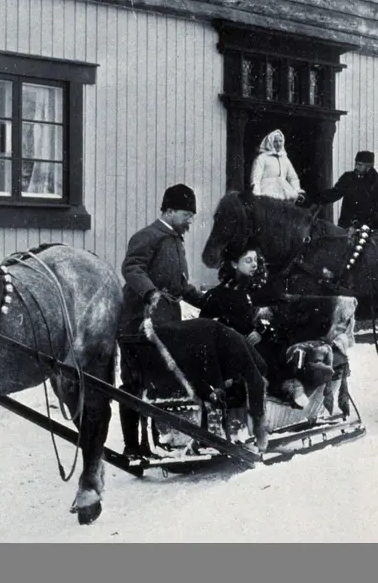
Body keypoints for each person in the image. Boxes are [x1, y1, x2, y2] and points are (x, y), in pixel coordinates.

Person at [117, 183, 208, 458]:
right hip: (138, 323)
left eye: (192, 216)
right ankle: (132, 446)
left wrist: (206, 300)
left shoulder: (175, 241)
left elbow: (180, 286)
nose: (190, 221)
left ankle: (161, 439)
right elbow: (131, 268)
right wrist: (150, 293)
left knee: (159, 382)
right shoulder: (148, 236)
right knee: (134, 382)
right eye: (185, 214)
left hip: (166, 323)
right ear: (168, 211)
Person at [198, 239, 317, 408]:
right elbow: (206, 325)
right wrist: (232, 336)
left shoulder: (261, 289)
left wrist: (262, 330)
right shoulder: (218, 294)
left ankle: (290, 388)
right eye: (248, 261)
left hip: (262, 345)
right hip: (234, 350)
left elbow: (280, 314)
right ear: (233, 264)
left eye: (255, 260)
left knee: (274, 352)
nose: (254, 265)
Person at [308, 150, 378, 231]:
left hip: (368, 231)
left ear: (369, 167)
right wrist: (315, 200)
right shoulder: (348, 178)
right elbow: (334, 193)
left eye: (360, 165)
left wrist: (374, 227)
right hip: (346, 229)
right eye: (356, 164)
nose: (356, 167)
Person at [249, 129, 305, 203]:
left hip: (285, 191)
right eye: (275, 141)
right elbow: (255, 179)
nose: (278, 144)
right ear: (270, 142)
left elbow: (293, 177)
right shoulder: (262, 158)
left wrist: (297, 190)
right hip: (268, 192)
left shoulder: (285, 159)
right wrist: (257, 195)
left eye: (280, 141)